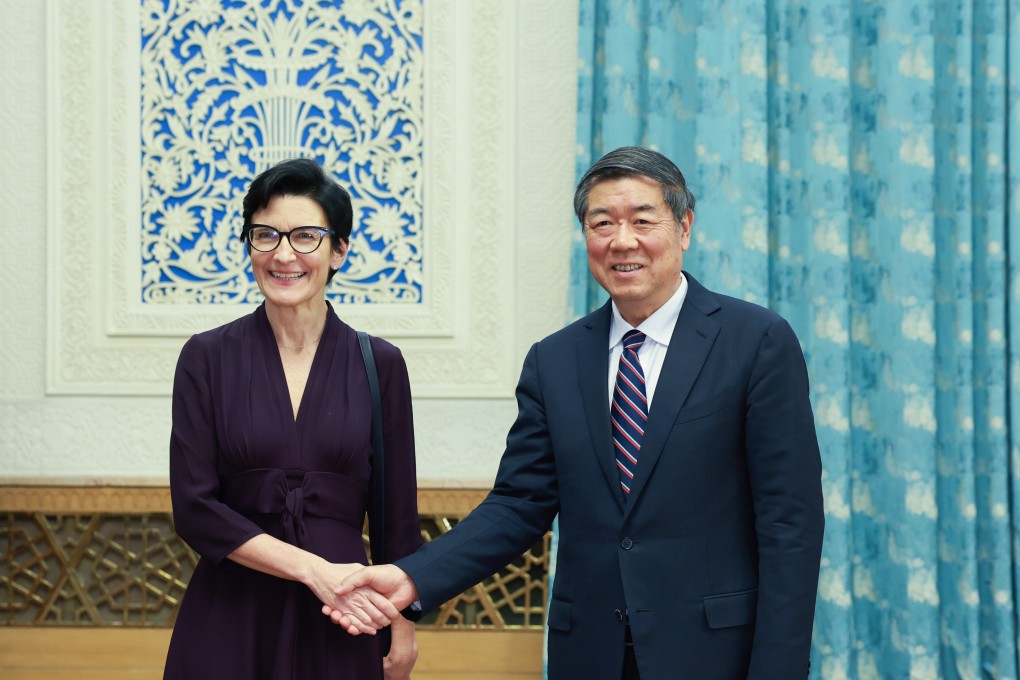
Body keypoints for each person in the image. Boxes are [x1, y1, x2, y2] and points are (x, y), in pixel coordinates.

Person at [327, 146, 825, 680]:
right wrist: (411, 578)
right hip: (590, 652)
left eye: (642, 220)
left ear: (684, 227)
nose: (622, 241)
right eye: (602, 223)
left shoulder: (755, 342)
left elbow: (789, 524)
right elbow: (519, 504)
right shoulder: (555, 360)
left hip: (714, 654)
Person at [164, 158, 423, 680]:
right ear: (249, 246)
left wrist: (403, 623)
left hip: (347, 617)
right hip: (230, 614)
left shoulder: (381, 364)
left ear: (339, 250)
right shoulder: (205, 357)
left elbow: (395, 515)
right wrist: (314, 571)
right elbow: (194, 507)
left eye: (305, 236)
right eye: (266, 236)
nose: (284, 255)